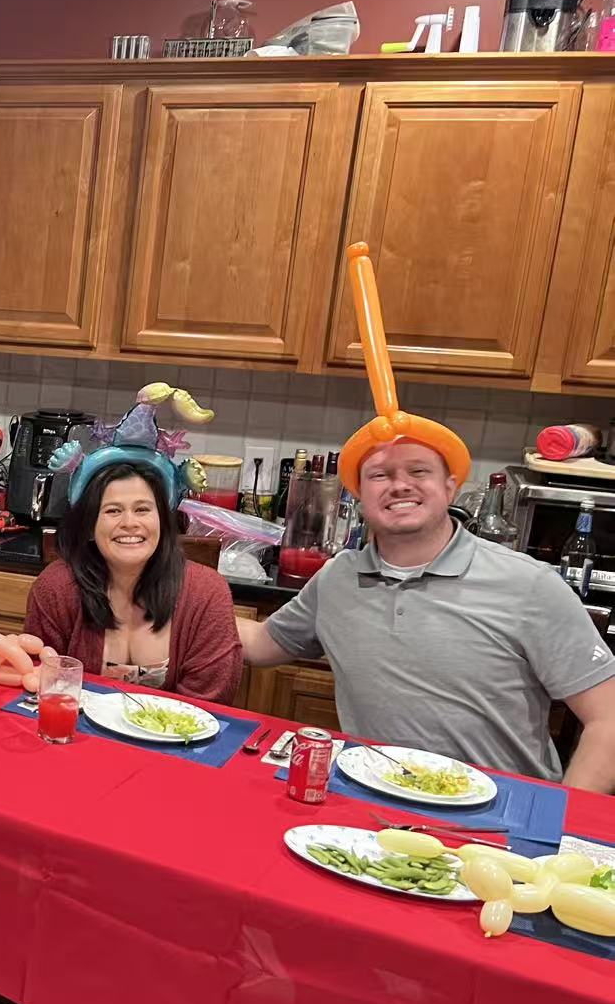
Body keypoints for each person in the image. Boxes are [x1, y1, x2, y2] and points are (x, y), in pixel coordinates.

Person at [239, 244, 615, 791]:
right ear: (359, 496)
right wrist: (159, 584)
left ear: (450, 485)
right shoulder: (339, 580)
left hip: (504, 829)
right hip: (376, 808)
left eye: (418, 470)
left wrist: (558, 832)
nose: (399, 486)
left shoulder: (527, 586)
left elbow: (607, 719)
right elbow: (260, 645)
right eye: (379, 475)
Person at [25, 457, 242, 704]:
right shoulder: (56, 587)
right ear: (90, 525)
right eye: (113, 511)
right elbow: (38, 684)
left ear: (162, 519)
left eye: (142, 509)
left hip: (176, 740)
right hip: (78, 733)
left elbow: (210, 705)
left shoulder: (207, 593)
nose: (129, 523)